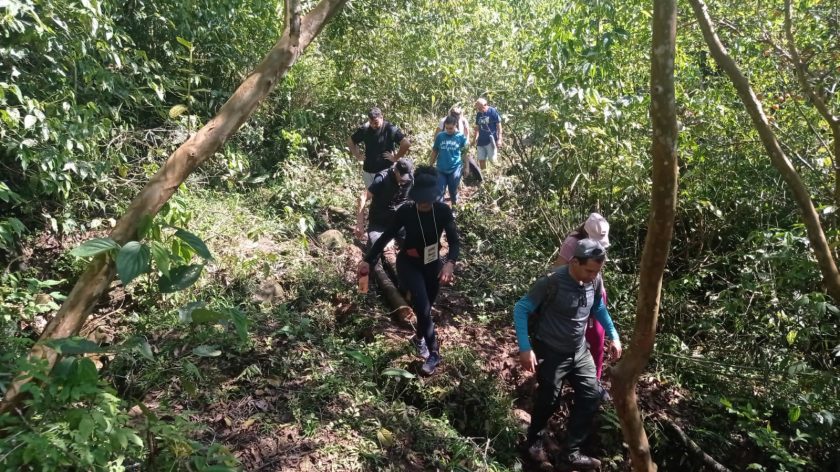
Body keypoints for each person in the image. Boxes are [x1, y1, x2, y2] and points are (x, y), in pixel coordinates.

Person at [514, 239, 622, 469]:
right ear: (574, 262)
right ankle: (534, 441)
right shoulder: (551, 282)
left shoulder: (594, 280)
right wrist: (525, 348)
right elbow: (521, 308)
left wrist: (614, 335)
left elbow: (598, 308)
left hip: (579, 351)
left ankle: (570, 452)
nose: (594, 275)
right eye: (589, 270)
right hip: (551, 350)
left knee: (591, 395)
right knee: (549, 398)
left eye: (597, 271)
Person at [358, 166, 459, 376]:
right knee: (422, 307)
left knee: (427, 306)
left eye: (428, 199)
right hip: (409, 263)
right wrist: (368, 259)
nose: (424, 203)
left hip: (432, 263)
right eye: (421, 198)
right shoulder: (405, 211)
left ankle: (419, 338)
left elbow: (454, 241)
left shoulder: (442, 211)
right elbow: (385, 237)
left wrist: (450, 262)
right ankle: (434, 353)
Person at [552, 212, 612, 401]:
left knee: (597, 336)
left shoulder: (600, 246)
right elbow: (558, 269)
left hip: (594, 292)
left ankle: (594, 381)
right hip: (573, 295)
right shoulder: (573, 243)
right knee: (573, 335)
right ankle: (562, 378)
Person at [348, 107, 411, 230]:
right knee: (371, 197)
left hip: (386, 172)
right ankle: (373, 224)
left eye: (376, 122)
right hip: (368, 171)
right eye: (371, 122)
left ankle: (389, 225)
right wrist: (358, 156)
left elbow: (406, 143)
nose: (373, 125)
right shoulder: (365, 129)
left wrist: (396, 157)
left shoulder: (390, 129)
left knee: (387, 198)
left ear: (381, 117)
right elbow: (350, 141)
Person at [354, 158, 414, 246]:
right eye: (402, 176)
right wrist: (359, 224)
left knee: (414, 246)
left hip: (399, 221)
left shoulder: (410, 179)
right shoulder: (382, 178)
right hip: (379, 222)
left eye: (406, 177)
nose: (404, 180)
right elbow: (362, 197)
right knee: (378, 249)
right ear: (395, 171)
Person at [430, 115, 469, 207]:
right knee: (439, 192)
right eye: (447, 128)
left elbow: (465, 153)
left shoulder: (461, 137)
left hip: (455, 168)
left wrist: (466, 167)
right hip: (441, 168)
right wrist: (430, 165)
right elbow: (435, 151)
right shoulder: (440, 136)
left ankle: (454, 207)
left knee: (453, 190)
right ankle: (441, 211)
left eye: (451, 128)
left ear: (455, 125)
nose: (448, 130)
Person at [472, 98, 502, 170]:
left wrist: (500, 139)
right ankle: (484, 175)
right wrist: (474, 139)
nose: (479, 110)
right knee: (481, 160)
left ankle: (498, 173)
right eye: (478, 108)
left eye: (480, 108)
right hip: (481, 141)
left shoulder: (492, 111)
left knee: (492, 160)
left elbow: (499, 126)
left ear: (485, 105)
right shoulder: (479, 114)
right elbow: (477, 128)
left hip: (491, 140)